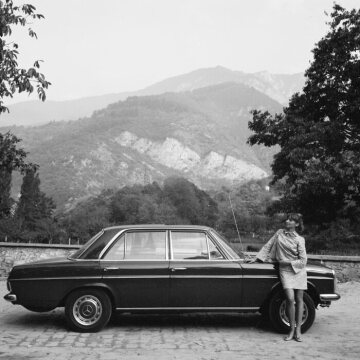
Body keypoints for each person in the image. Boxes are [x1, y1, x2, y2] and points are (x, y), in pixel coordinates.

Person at [251, 213, 307, 342]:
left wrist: (287, 262)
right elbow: (268, 245)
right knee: (289, 298)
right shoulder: (279, 233)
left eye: (291, 220)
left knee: (299, 300)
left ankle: (298, 330)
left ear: (296, 224)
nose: (287, 221)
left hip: (298, 270)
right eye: (287, 219)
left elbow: (303, 261)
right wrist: (257, 259)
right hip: (285, 271)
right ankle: (291, 329)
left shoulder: (300, 239)